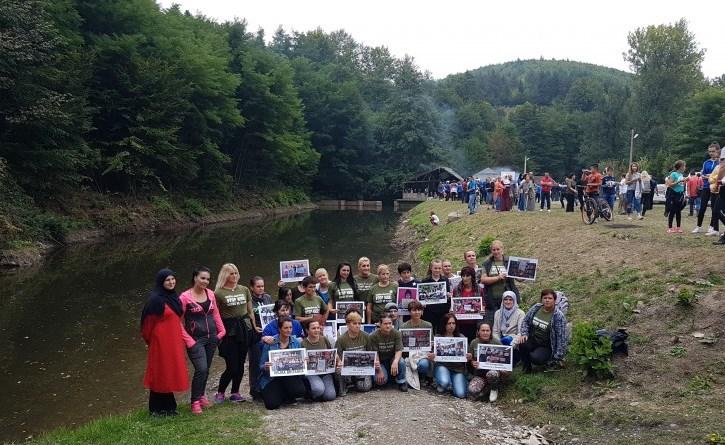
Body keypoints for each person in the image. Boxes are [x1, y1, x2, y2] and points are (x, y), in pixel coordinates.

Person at [141, 269, 188, 416]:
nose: (171, 282)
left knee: (169, 372)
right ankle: (155, 409)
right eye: (167, 280)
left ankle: (169, 407)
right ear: (161, 282)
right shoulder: (156, 300)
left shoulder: (173, 297)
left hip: (173, 341)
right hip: (160, 343)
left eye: (173, 279)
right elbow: (147, 324)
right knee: (160, 373)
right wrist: (152, 341)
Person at [179, 267, 226, 414]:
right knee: (201, 369)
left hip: (211, 337)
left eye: (207, 279)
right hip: (195, 339)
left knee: (206, 369)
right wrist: (188, 340)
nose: (205, 281)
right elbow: (177, 321)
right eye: (202, 278)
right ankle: (194, 402)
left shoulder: (210, 294)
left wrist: (222, 331)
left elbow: (216, 313)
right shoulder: (184, 297)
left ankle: (201, 396)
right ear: (195, 278)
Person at [213, 263, 255, 404]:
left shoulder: (244, 289)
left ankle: (235, 392)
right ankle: (220, 392)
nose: (235, 276)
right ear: (225, 275)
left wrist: (254, 327)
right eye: (231, 273)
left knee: (241, 363)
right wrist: (219, 333)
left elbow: (250, 312)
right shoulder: (218, 293)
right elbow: (216, 315)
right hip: (229, 330)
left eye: (236, 273)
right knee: (232, 365)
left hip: (244, 328)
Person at [259, 317, 306, 410]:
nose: (289, 330)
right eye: (286, 328)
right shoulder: (270, 342)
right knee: (272, 405)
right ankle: (281, 394)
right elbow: (261, 365)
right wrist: (266, 366)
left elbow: (299, 363)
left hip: (289, 376)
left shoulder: (296, 342)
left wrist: (303, 361)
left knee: (300, 391)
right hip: (272, 378)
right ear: (279, 329)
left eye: (290, 327)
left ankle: (286, 393)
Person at [519, 289, 568, 373]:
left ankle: (547, 361)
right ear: (541, 299)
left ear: (554, 300)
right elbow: (525, 321)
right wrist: (524, 333)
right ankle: (526, 367)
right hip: (533, 339)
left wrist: (558, 356)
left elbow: (561, 338)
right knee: (522, 343)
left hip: (546, 345)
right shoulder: (536, 307)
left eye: (550, 298)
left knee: (536, 358)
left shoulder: (558, 316)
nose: (547, 300)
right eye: (545, 298)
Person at [335, 309, 377, 396]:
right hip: (347, 368)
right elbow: (337, 355)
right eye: (354, 323)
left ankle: (355, 381)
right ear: (347, 324)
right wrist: (339, 362)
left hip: (362, 367)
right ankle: (343, 386)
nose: (357, 326)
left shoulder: (366, 336)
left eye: (359, 323)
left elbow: (371, 352)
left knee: (366, 387)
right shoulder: (341, 339)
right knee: (338, 370)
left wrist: (375, 361)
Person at [480, 240, 519, 326]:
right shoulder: (487, 263)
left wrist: (524, 275)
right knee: (495, 324)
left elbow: (519, 279)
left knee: (510, 324)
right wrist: (498, 277)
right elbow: (483, 279)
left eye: (498, 249)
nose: (496, 251)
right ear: (491, 251)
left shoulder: (510, 261)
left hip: (509, 299)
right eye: (494, 250)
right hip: (492, 300)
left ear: (502, 249)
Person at [432, 313, 468, 398]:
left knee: (461, 394)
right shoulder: (438, 337)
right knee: (444, 382)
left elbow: (467, 357)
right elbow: (432, 356)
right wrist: (432, 356)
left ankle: (453, 383)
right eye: (449, 323)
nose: (451, 326)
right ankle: (443, 382)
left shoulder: (461, 337)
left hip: (457, 369)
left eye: (453, 323)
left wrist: (468, 356)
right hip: (442, 366)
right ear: (444, 324)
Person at [467, 322, 506, 402]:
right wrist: (472, 362)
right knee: (472, 390)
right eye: (483, 330)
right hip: (480, 374)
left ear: (491, 331)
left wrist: (504, 370)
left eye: (487, 330)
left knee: (492, 374)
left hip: (494, 372)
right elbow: (471, 359)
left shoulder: (497, 343)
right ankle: (486, 389)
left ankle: (494, 388)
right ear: (478, 332)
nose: (485, 333)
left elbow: (505, 362)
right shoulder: (474, 343)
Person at [249, 276, 273, 400]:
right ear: (252, 287)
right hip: (256, 333)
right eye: (258, 286)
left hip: (268, 332)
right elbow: (247, 316)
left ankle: (266, 386)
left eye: (262, 286)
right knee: (255, 361)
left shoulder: (268, 297)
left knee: (267, 359)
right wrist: (254, 327)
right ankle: (255, 389)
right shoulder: (249, 300)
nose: (261, 288)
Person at [301, 320, 337, 402]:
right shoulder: (303, 343)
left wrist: (337, 360)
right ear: (307, 330)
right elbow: (300, 361)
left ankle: (321, 393)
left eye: (318, 328)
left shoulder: (324, 339)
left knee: (330, 396)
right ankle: (310, 393)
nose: (317, 330)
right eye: (313, 328)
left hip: (325, 372)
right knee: (318, 389)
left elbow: (332, 352)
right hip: (311, 373)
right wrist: (304, 360)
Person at [370, 315, 408, 391]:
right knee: (381, 382)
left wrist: (395, 361)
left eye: (390, 323)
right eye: (385, 324)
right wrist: (379, 370)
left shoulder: (397, 333)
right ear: (380, 324)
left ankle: (401, 381)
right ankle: (388, 377)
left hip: (391, 358)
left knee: (401, 362)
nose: (388, 326)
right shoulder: (373, 336)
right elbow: (375, 353)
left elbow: (399, 349)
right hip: (380, 361)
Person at [693, 142, 722, 235]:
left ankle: (712, 227)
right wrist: (705, 176)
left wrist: (710, 176)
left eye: (713, 151)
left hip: (715, 187)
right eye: (710, 151)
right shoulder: (706, 162)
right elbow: (702, 174)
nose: (711, 153)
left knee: (714, 208)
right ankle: (698, 226)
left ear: (718, 151)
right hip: (706, 186)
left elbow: (719, 174)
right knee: (702, 207)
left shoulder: (721, 162)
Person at [401, 301, 434, 383]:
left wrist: (431, 346)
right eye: (414, 310)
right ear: (409, 312)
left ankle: (421, 377)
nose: (417, 312)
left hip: (422, 355)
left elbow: (431, 342)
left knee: (424, 365)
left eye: (419, 310)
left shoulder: (428, 325)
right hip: (408, 355)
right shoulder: (404, 326)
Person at [452, 266, 486, 341]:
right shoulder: (456, 289)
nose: (465, 278)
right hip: (460, 323)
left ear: (472, 276)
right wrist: (452, 310)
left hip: (474, 323)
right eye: (463, 276)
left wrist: (482, 309)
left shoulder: (479, 289)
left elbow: (483, 303)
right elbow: (453, 304)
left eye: (467, 276)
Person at [421, 259, 452, 326]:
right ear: (431, 268)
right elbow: (421, 296)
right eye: (435, 268)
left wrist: (448, 296)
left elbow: (448, 295)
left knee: (441, 331)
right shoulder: (425, 281)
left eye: (439, 268)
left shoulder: (445, 280)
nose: (437, 270)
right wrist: (422, 302)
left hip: (443, 311)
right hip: (429, 312)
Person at [665, 160, 688, 233]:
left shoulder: (681, 175)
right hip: (673, 194)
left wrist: (684, 181)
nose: (685, 167)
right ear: (680, 167)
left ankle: (678, 227)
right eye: (684, 166)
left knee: (678, 211)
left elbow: (680, 185)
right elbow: (670, 185)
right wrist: (679, 181)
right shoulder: (673, 174)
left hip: (680, 194)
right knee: (672, 211)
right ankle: (670, 228)